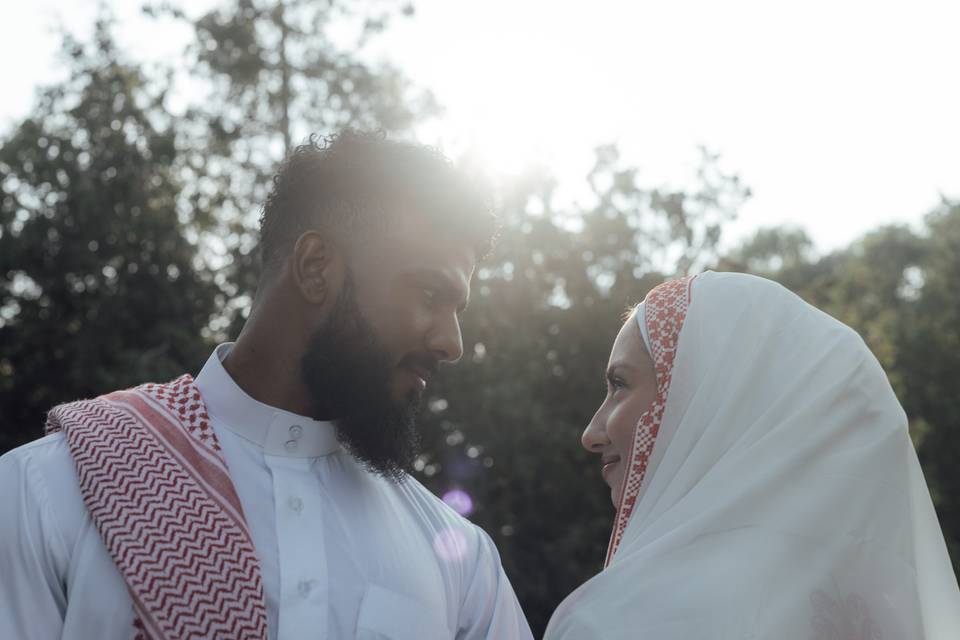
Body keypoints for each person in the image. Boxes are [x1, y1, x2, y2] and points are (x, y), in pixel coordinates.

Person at [0, 131, 534, 640]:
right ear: (315, 267)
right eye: (429, 294)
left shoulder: (462, 561)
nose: (451, 342)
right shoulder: (48, 492)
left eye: (457, 309)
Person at [545, 271, 960, 639]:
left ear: (707, 404)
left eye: (619, 384)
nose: (591, 434)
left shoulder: (620, 622)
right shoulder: (891, 616)